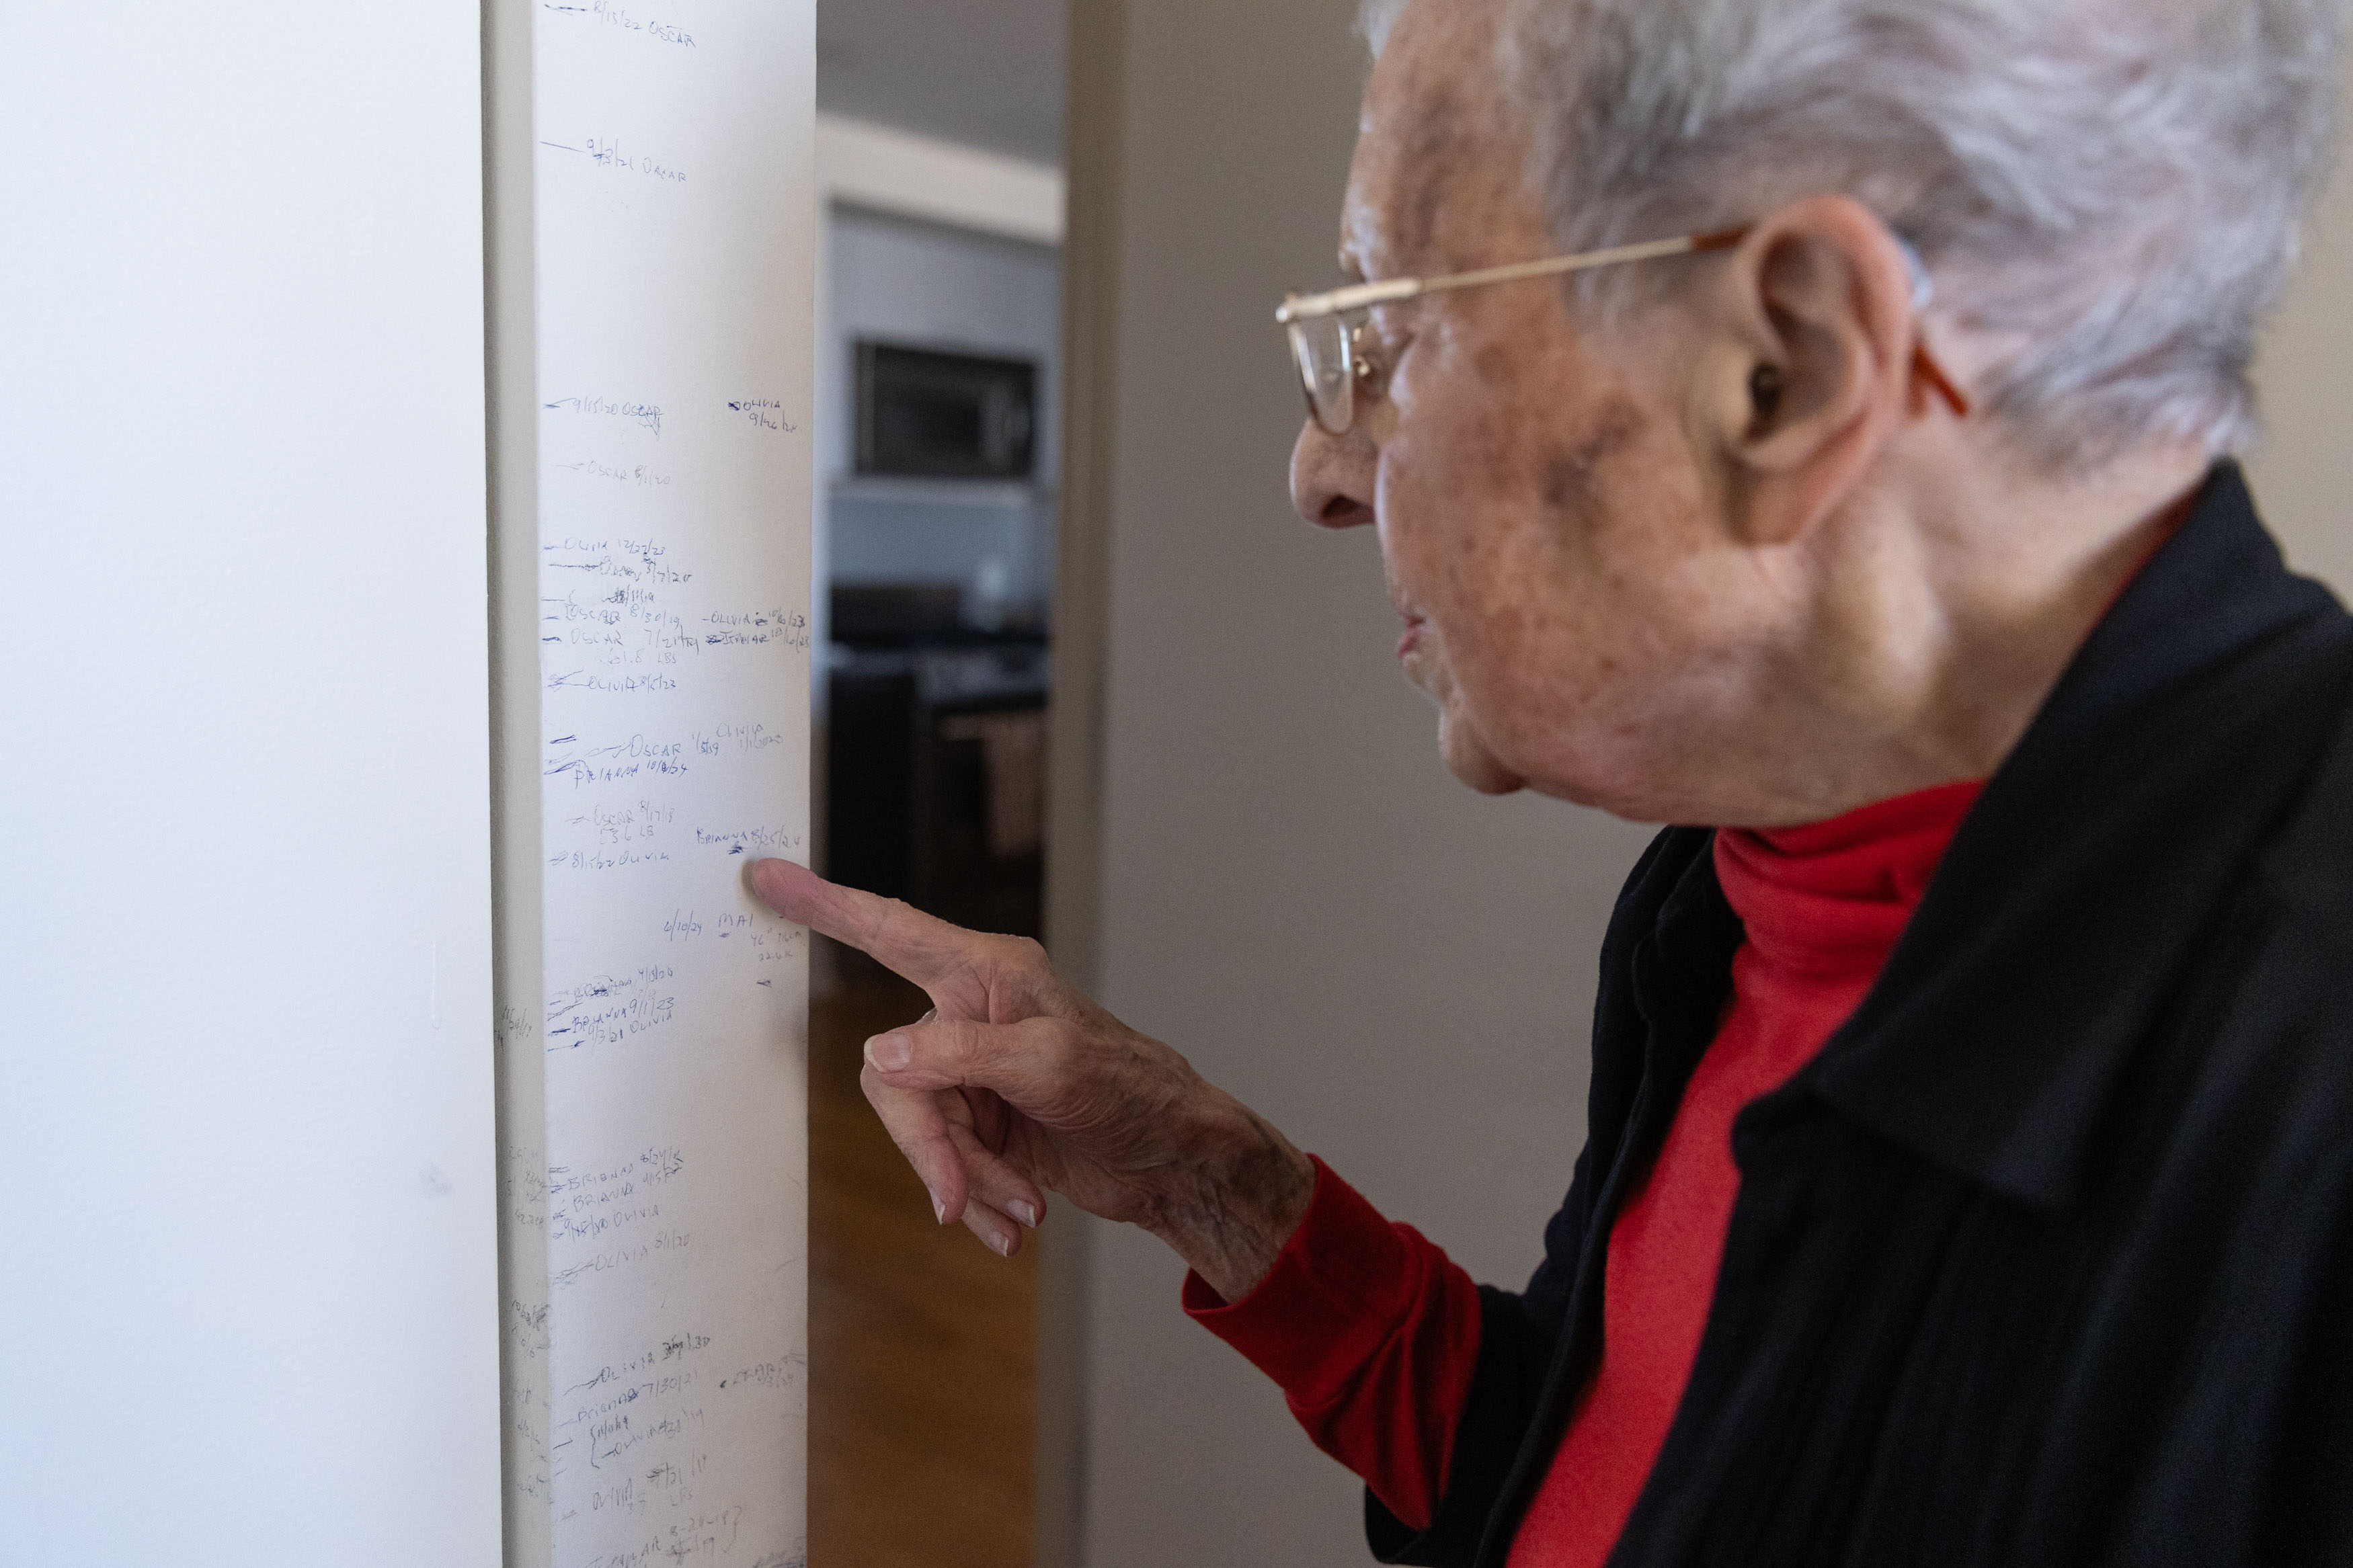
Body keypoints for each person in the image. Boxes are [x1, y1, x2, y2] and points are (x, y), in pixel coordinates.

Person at [754, 0, 2353, 1560]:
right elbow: (1593, 1472)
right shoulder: (1726, 889)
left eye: (1386, 325)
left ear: (1782, 371)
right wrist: (1201, 1172)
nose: (1320, 469)